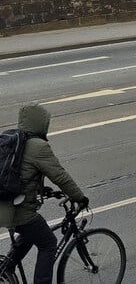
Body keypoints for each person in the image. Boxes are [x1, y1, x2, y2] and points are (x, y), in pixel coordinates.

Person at [0, 104, 88, 284]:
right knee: (48, 243)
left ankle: (7, 268)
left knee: (30, 234)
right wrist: (80, 197)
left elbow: (22, 175)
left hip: (4, 204)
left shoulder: (15, 140)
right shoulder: (38, 146)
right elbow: (60, 176)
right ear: (40, 124)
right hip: (16, 211)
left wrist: (44, 191)